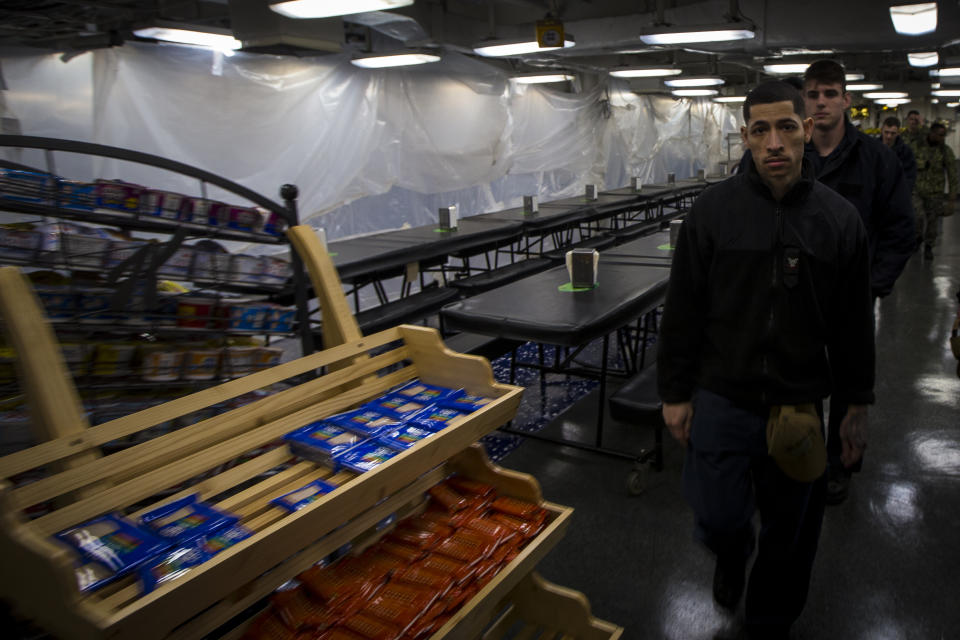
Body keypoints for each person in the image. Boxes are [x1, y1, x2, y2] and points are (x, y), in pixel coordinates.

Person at [657, 80, 874, 639]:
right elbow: (683, 308)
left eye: (786, 127)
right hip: (723, 396)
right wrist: (675, 393)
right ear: (746, 138)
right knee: (718, 516)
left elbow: (853, 326)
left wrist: (855, 404)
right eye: (760, 129)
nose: (774, 141)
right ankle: (732, 553)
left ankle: (770, 621)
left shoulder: (838, 220)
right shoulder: (712, 213)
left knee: (792, 533)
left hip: (799, 402)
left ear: (807, 130)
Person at [801, 59, 914, 504]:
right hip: (801, 294)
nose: (822, 101)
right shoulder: (795, 155)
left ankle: (839, 465)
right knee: (801, 377)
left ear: (847, 100)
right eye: (813, 94)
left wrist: (872, 285)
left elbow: (900, 229)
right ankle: (800, 453)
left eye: (830, 93)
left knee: (849, 381)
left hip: (852, 297)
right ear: (804, 101)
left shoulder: (877, 160)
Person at [912, 122, 958, 259]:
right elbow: (909, 163)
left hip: (935, 192)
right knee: (917, 216)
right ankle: (918, 237)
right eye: (940, 135)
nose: (942, 138)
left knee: (933, 222)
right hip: (917, 190)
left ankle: (929, 246)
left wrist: (951, 197)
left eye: (944, 135)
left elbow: (952, 174)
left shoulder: (945, 151)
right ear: (932, 133)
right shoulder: (917, 146)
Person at [880, 116, 917, 191]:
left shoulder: (905, 152)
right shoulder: (872, 148)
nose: (889, 136)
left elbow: (910, 176)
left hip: (896, 193)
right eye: (886, 132)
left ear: (898, 133)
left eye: (893, 133)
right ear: (881, 130)